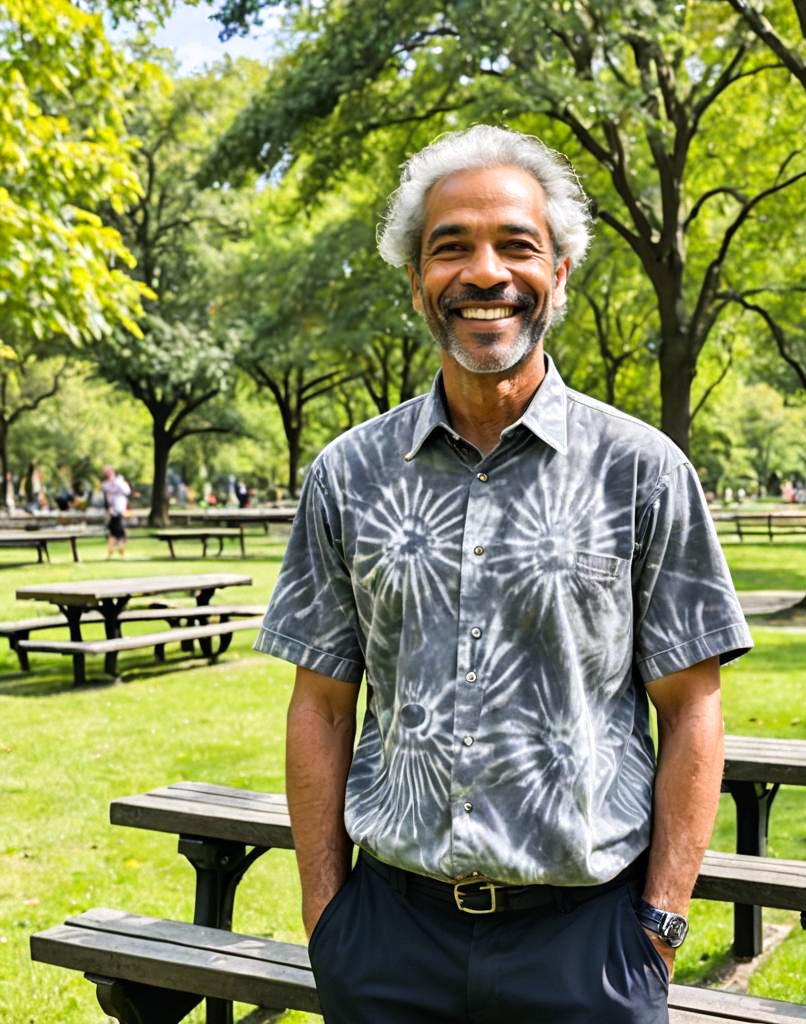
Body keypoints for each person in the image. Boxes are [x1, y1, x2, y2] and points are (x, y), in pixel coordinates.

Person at [254, 125, 752, 1024]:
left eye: (516, 244)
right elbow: (321, 704)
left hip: (587, 948)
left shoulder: (643, 472)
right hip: (387, 944)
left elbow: (692, 706)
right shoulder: (347, 475)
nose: (485, 272)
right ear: (417, 282)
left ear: (559, 273)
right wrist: (328, 916)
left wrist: (661, 925)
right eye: (451, 247)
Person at [101, 466, 131, 557]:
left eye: (109, 472)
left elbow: (127, 492)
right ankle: (118, 548)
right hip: (112, 509)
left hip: (120, 508)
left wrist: (115, 482)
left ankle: (113, 548)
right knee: (115, 528)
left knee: (116, 528)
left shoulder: (120, 481)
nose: (108, 474)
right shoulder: (105, 484)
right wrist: (108, 508)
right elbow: (106, 497)